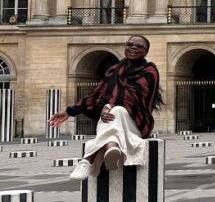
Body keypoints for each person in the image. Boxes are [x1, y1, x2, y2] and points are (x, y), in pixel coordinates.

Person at [49, 35, 162, 181]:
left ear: (146, 51)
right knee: (115, 114)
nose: (133, 47)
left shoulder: (150, 71)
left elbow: (136, 96)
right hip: (115, 122)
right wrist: (69, 111)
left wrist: (109, 105)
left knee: (117, 110)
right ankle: (112, 146)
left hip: (137, 121)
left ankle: (87, 160)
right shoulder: (114, 70)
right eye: (130, 44)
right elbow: (97, 94)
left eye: (139, 46)